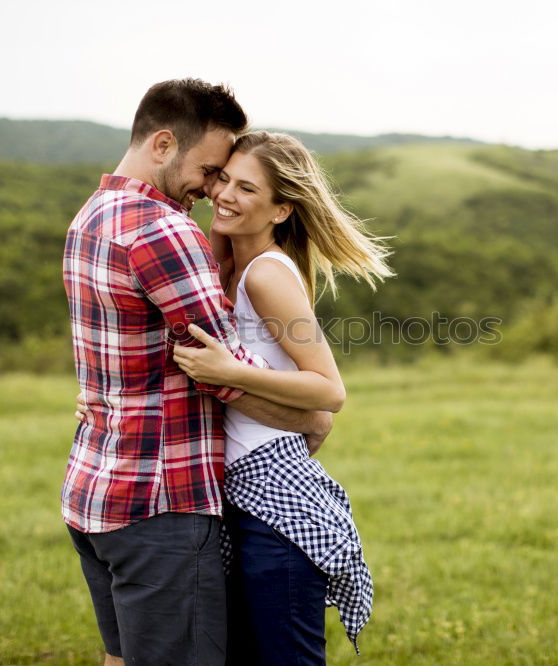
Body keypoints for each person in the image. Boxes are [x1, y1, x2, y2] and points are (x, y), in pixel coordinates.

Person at [62, 80, 334, 666]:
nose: (211, 191)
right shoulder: (162, 228)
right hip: (161, 497)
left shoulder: (90, 216)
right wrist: (310, 418)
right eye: (212, 171)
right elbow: (223, 371)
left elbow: (112, 352)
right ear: (163, 144)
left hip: (95, 489)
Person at [166, 130, 392, 662]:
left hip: (273, 500)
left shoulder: (267, 274)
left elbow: (329, 391)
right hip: (241, 496)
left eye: (247, 189)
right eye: (223, 178)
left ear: (281, 210)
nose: (224, 194)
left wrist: (229, 372)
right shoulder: (235, 264)